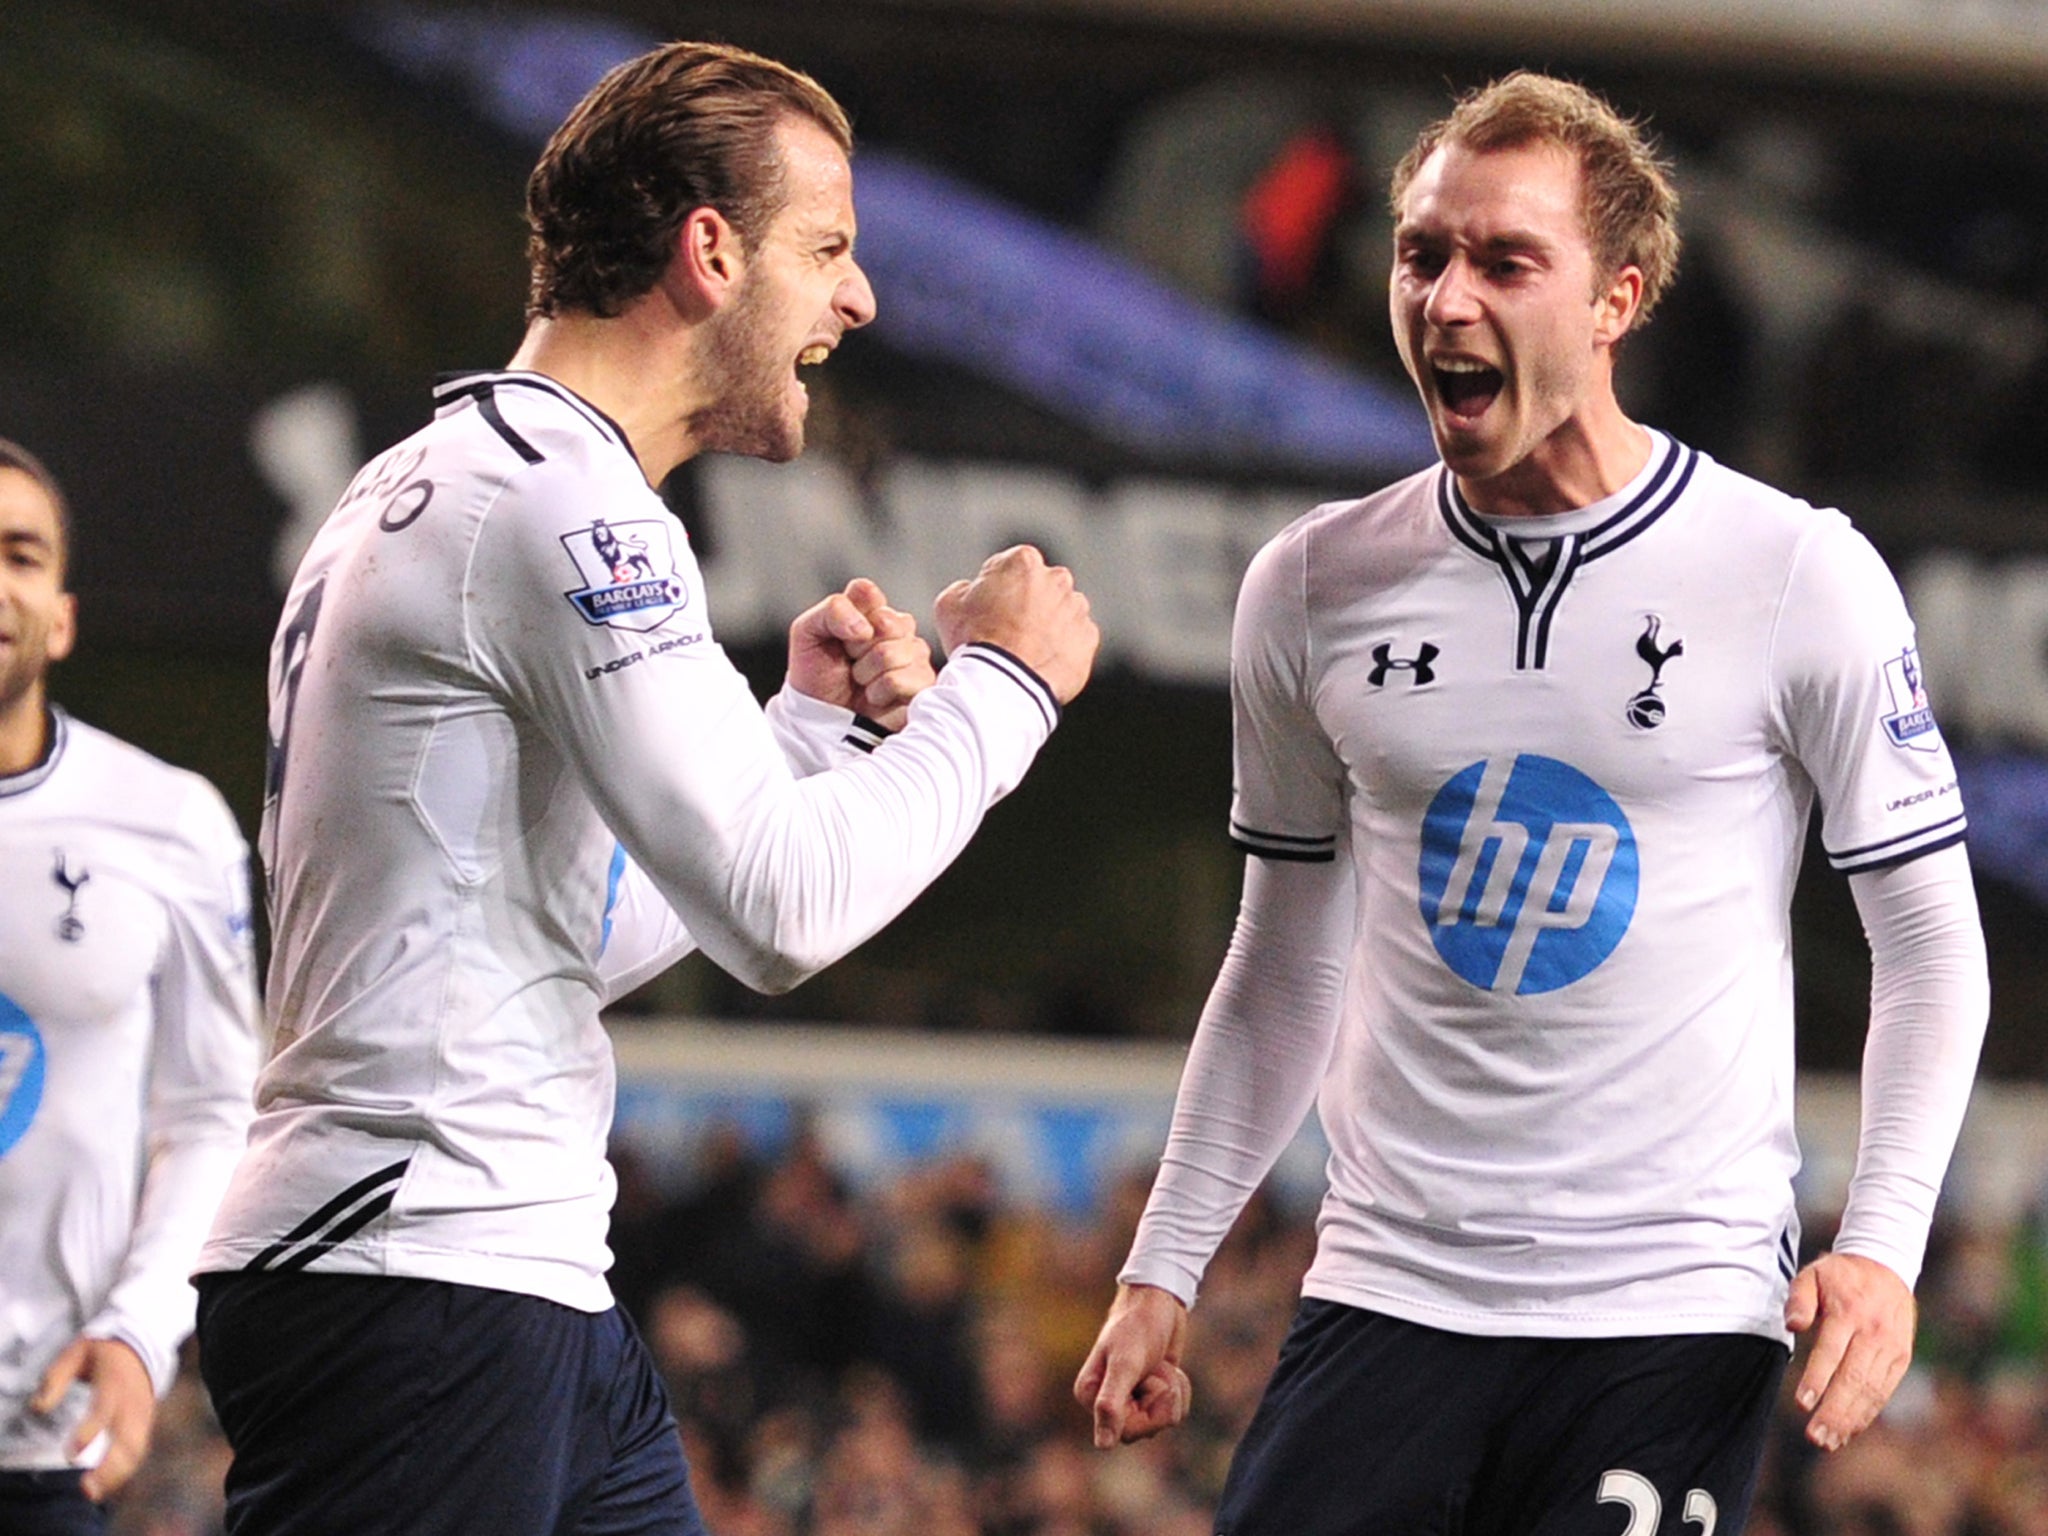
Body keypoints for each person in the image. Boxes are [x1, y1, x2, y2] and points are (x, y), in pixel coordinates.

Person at [191, 39, 1098, 1536]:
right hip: (420, 1274)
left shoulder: (460, 476)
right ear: (709, 251)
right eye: (828, 249)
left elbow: (571, 926)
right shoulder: (563, 503)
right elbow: (779, 915)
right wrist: (1004, 690)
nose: (858, 299)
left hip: (500, 1269)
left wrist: (800, 737)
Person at [1076, 72, 1989, 1535]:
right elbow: (1282, 961)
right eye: (1422, 255)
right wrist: (1163, 1264)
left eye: (1504, 261)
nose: (1445, 300)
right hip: (1389, 1293)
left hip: (1669, 1315)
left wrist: (1881, 1248)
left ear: (1619, 299)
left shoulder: (1794, 573)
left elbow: (1932, 945)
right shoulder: (1311, 587)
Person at [0, 439, 261, 1534]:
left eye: (18, 554)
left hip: (38, 1446)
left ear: (61, 615)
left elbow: (212, 1108)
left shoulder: (168, 824)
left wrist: (141, 1332)